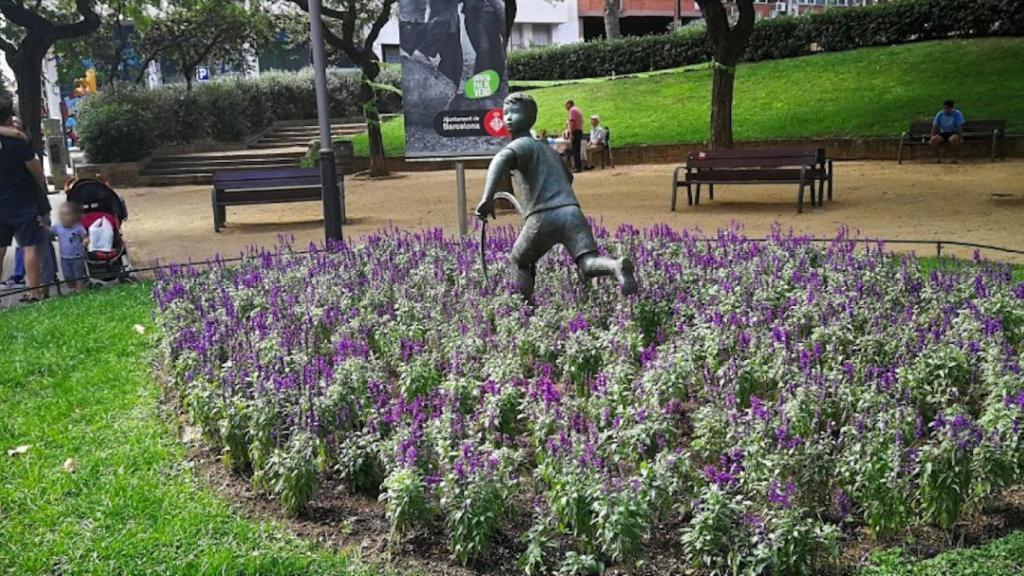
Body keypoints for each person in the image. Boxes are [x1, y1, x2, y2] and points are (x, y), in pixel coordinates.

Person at [475, 92, 637, 303]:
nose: (508, 118)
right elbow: (568, 178)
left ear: (531, 117)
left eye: (514, 112)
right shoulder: (549, 150)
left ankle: (524, 309)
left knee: (520, 260)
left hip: (544, 216)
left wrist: (487, 198)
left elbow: (499, 160)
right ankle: (615, 266)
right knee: (588, 262)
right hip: (571, 212)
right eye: (506, 113)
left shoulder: (521, 144)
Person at [0, 95, 48, 303]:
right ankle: (34, 291)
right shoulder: (18, 141)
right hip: (21, 199)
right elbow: (37, 172)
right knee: (29, 246)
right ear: (9, 114)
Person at [53, 202, 89, 293]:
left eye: (66, 215)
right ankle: (73, 287)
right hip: (64, 257)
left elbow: (85, 236)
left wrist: (85, 241)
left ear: (74, 217)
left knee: (78, 274)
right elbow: (49, 231)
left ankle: (79, 289)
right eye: (61, 215)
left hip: (78, 257)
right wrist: (43, 227)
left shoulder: (78, 228)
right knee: (67, 275)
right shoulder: (58, 227)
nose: (63, 217)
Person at [564, 100, 584, 173]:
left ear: (569, 104)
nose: (565, 106)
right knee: (577, 150)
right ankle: (578, 166)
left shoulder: (572, 111)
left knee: (575, 150)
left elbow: (572, 122)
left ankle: (577, 167)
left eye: (566, 105)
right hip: (579, 131)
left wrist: (571, 133)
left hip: (576, 132)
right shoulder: (577, 110)